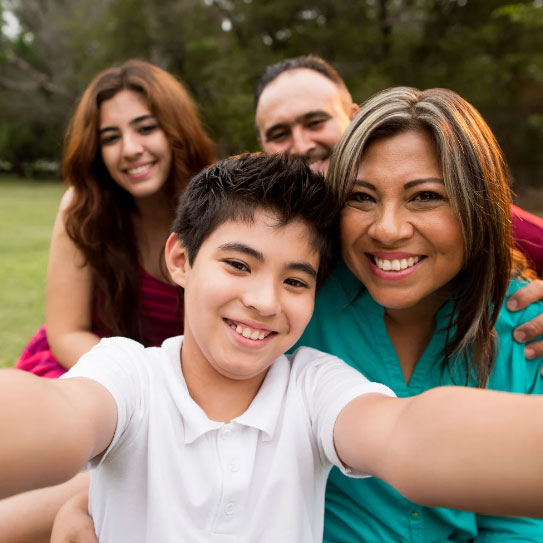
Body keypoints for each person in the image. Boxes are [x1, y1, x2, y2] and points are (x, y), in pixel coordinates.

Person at [3, 153, 543, 543]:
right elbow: (57, 415)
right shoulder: (128, 374)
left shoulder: (313, 386)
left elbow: (408, 435)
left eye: (295, 281)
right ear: (181, 259)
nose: (264, 301)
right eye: (238, 265)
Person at [296, 87, 543, 541]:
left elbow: (519, 527)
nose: (388, 229)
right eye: (362, 197)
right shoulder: (296, 308)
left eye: (425, 196)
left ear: (478, 205)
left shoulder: (525, 324)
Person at [0, 59, 215, 543]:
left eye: (145, 128)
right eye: (111, 136)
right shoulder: (85, 206)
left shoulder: (220, 204)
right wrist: (145, 386)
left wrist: (175, 398)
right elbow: (66, 331)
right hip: (87, 368)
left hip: (193, 391)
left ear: (176, 130)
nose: (130, 149)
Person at [255, 55, 543, 357]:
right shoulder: (259, 232)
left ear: (355, 119)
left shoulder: (472, 211)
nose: (300, 145)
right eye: (279, 134)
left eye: (315, 122)